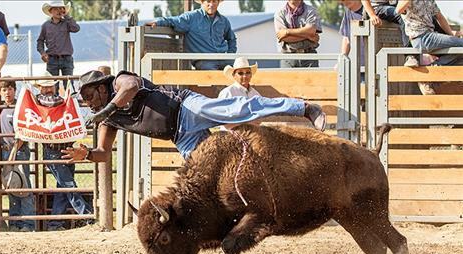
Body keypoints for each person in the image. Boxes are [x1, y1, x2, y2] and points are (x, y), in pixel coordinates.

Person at [60, 70, 327, 162]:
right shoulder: (108, 120)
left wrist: (107, 109)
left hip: (187, 107)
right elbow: (104, 153)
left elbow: (130, 88)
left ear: (103, 87)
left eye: (90, 95)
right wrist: (87, 155)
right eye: (84, 99)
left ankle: (302, 108)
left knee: (238, 109)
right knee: (205, 170)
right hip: (180, 136)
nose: (88, 102)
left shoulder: (120, 82)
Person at [35, 72, 93, 231]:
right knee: (69, 185)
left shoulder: (51, 100)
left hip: (65, 149)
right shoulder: (41, 100)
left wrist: (70, 99)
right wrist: (70, 99)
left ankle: (55, 223)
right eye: (44, 86)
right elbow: (58, 102)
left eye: (49, 85)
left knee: (63, 187)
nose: (47, 89)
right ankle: (88, 216)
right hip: (54, 150)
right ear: (39, 88)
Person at [145, 0, 237, 70]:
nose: (211, 4)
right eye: (208, 1)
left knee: (241, 70)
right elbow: (174, 20)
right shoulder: (191, 17)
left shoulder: (224, 21)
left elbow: (231, 39)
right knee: (212, 78)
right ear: (202, 2)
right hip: (204, 60)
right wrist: (158, 22)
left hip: (223, 58)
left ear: (218, 2)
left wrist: (231, 54)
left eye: (214, 1)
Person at [396, 0, 463, 95]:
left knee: (460, 56)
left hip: (431, 35)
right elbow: (398, 10)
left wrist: (451, 34)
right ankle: (429, 76)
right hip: (420, 37)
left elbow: (440, 17)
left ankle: (430, 77)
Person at [0, 79, 36, 232]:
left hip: (17, 150)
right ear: (0, 93)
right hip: (5, 150)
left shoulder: (18, 107)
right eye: (4, 90)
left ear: (14, 90)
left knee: (23, 185)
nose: (7, 93)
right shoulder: (0, 108)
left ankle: (27, 223)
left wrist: (14, 150)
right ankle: (15, 221)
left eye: (9, 89)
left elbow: (22, 130)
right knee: (12, 185)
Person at [37, 0, 80, 89]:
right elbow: (40, 41)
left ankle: (71, 102)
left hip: (67, 59)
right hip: (52, 59)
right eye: (56, 9)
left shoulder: (67, 23)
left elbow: (76, 28)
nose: (59, 11)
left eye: (61, 9)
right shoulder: (45, 26)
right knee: (52, 86)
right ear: (50, 11)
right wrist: (43, 53)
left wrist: (67, 15)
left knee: (69, 86)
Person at [274, 0, 323, 68]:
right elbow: (284, 38)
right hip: (288, 58)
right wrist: (308, 36)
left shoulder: (311, 11)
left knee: (312, 79)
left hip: (309, 57)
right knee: (287, 79)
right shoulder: (280, 13)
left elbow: (311, 30)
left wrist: (287, 32)